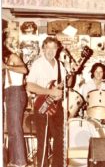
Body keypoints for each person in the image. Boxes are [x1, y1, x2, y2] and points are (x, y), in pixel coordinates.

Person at [26, 37, 77, 167]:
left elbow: (68, 84)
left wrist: (72, 73)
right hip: (42, 105)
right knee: (43, 140)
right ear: (43, 49)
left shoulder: (60, 65)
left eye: (53, 48)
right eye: (47, 47)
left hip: (57, 106)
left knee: (60, 140)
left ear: (57, 49)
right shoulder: (38, 64)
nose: (50, 51)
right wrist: (50, 92)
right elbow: (30, 86)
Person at [2, 31, 28, 167]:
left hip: (15, 92)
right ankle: (14, 160)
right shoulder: (7, 58)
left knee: (15, 128)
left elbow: (24, 70)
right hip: (10, 92)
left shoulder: (12, 56)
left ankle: (20, 162)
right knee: (12, 128)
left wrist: (7, 67)